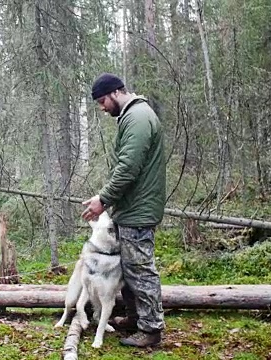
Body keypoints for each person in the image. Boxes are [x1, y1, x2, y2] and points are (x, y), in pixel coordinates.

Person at [81, 73, 166, 347]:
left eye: (103, 101)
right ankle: (135, 319)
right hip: (130, 208)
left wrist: (103, 200)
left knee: (140, 270)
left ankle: (151, 329)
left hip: (138, 211)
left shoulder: (138, 117)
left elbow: (128, 168)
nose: (102, 107)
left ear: (116, 92)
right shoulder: (132, 116)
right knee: (129, 270)